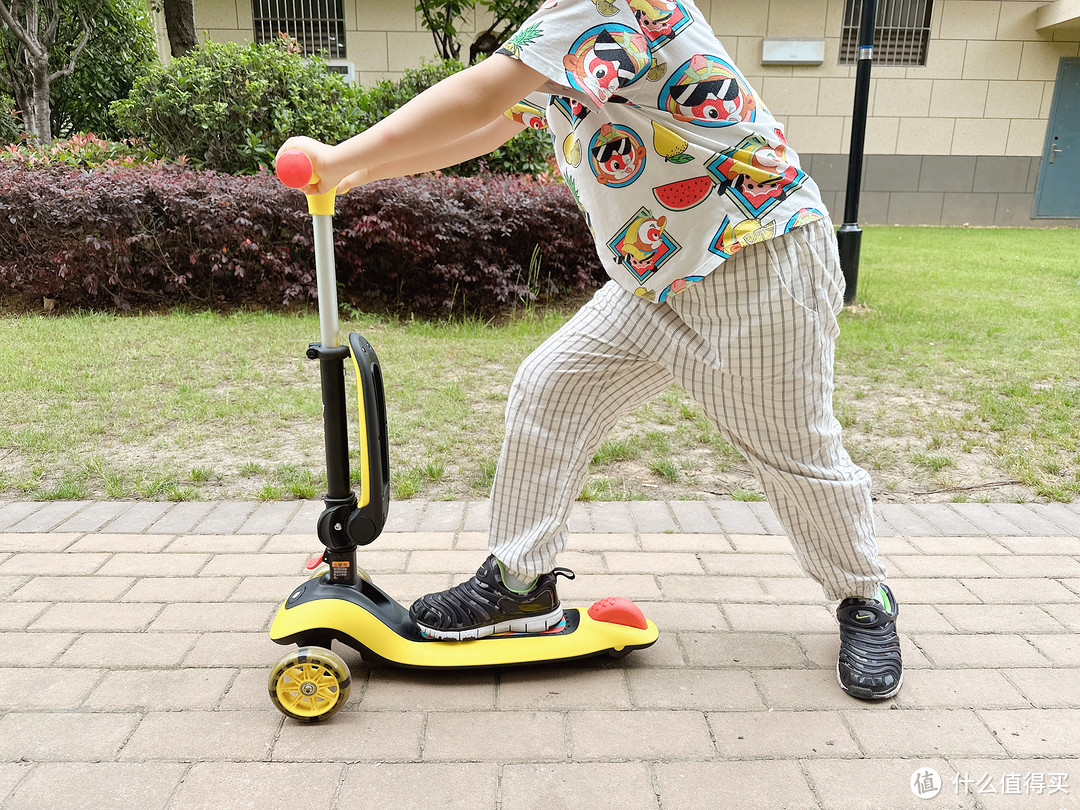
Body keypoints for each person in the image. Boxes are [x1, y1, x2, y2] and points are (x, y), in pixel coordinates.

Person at [277, 0, 902, 700]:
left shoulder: (604, 3)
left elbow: (484, 88)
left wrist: (345, 154)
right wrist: (363, 171)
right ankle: (519, 582)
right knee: (552, 387)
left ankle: (864, 599)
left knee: (794, 452)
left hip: (752, 254)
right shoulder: (561, 34)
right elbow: (494, 120)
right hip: (654, 277)